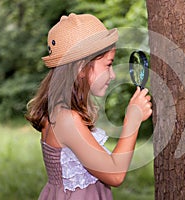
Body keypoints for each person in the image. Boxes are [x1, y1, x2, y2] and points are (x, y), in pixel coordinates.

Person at [25, 13, 152, 199]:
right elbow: (115, 174)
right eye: (108, 65)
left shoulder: (61, 113)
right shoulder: (66, 119)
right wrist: (132, 121)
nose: (113, 75)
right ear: (81, 67)